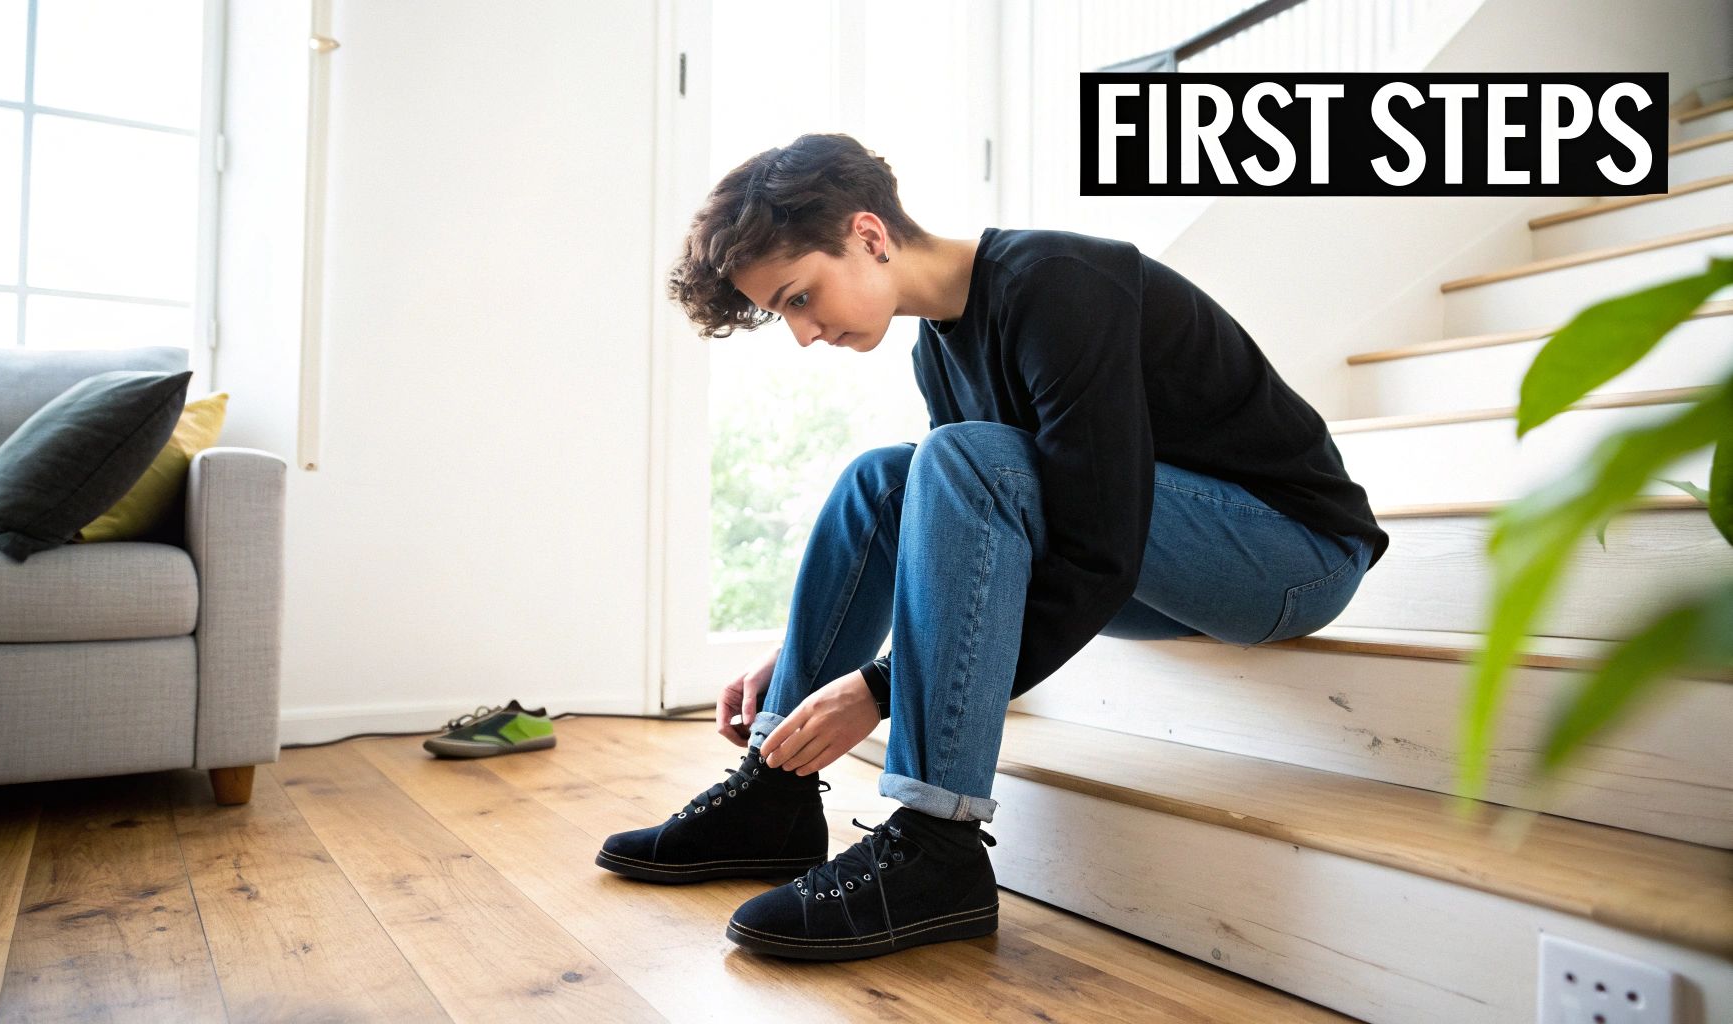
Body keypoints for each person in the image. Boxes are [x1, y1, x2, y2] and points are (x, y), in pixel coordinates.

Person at [595, 133, 1389, 962]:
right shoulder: (937, 352)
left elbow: (1097, 548)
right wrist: (805, 652)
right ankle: (775, 788)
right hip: (1158, 572)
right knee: (886, 479)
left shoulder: (1062, 283)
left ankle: (938, 843)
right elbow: (968, 547)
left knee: (957, 458)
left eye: (799, 297)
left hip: (1292, 556)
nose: (801, 332)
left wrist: (879, 686)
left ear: (868, 234)